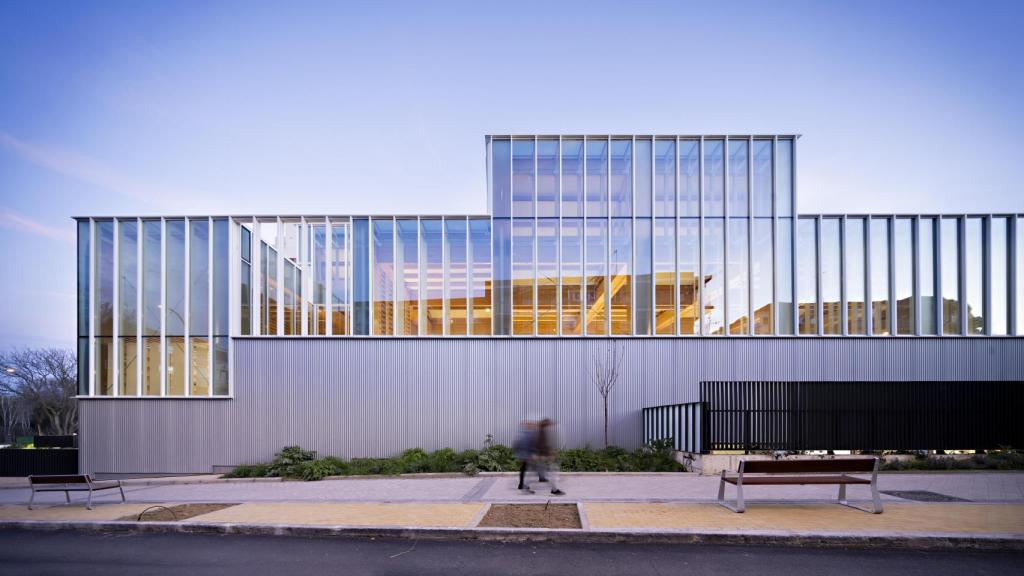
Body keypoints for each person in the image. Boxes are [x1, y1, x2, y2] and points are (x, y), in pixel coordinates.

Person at [535, 418, 564, 496]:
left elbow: (542, 444)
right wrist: (550, 452)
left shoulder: (542, 431)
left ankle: (544, 479)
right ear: (545, 424)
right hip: (545, 455)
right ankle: (554, 489)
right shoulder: (542, 432)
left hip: (543, 454)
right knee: (554, 472)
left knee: (551, 471)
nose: (550, 425)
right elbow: (542, 445)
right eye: (548, 424)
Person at [513, 419, 537, 493]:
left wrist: (518, 453)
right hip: (526, 455)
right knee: (528, 470)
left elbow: (517, 444)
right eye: (531, 425)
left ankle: (521, 484)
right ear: (529, 426)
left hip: (523, 454)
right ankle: (523, 486)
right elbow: (531, 445)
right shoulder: (529, 434)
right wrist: (532, 454)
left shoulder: (523, 433)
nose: (533, 426)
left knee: (523, 469)